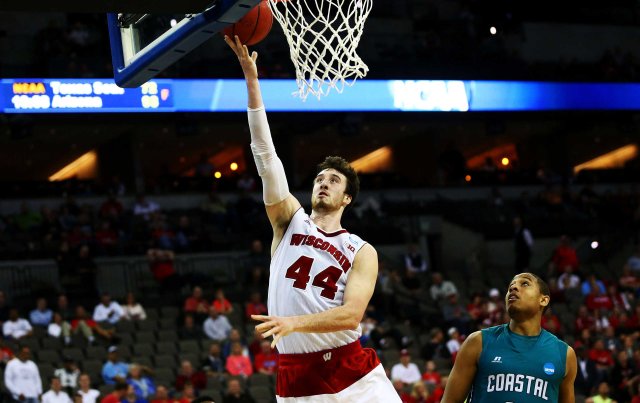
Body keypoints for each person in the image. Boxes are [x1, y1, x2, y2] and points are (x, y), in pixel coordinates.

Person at [225, 34, 400, 402]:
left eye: (333, 180)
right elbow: (264, 155)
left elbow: (351, 316)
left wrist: (292, 323)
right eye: (320, 178)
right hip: (296, 376)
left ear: (347, 198)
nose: (323, 183)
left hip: (351, 369)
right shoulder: (290, 220)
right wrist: (252, 80)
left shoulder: (361, 250)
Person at [442, 272, 577, 402]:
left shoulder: (564, 354)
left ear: (543, 300)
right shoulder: (478, 342)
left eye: (524, 283)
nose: (513, 287)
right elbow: (450, 400)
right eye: (510, 286)